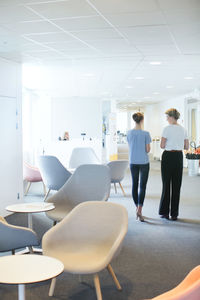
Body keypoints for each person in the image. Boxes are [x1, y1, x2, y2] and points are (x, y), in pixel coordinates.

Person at [159, 108, 189, 221]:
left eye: (167, 117)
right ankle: (174, 214)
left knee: (166, 184)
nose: (166, 119)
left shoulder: (166, 129)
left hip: (167, 156)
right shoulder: (183, 129)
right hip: (178, 157)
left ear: (171, 117)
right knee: (177, 185)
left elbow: (162, 145)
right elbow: (186, 147)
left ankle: (164, 212)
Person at [127, 112, 151, 222]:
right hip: (144, 162)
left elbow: (130, 146)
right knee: (142, 186)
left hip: (133, 161)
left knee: (135, 184)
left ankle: (136, 207)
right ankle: (140, 209)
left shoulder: (129, 133)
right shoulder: (146, 133)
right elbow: (147, 150)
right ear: (142, 120)